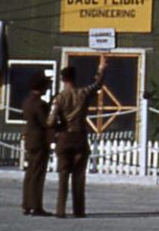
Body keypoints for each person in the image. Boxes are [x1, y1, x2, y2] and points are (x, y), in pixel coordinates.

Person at [48, 56, 106, 218]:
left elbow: (51, 121)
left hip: (64, 138)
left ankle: (60, 210)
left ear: (62, 79)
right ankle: (79, 210)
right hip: (80, 136)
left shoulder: (58, 98)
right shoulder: (83, 93)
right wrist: (101, 69)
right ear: (74, 78)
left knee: (63, 177)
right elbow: (97, 85)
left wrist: (59, 127)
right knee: (79, 177)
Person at [21, 70, 54, 216]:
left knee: (30, 173)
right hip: (39, 141)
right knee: (38, 174)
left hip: (30, 139)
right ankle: (36, 205)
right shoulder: (39, 104)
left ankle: (27, 204)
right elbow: (46, 122)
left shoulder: (27, 101)